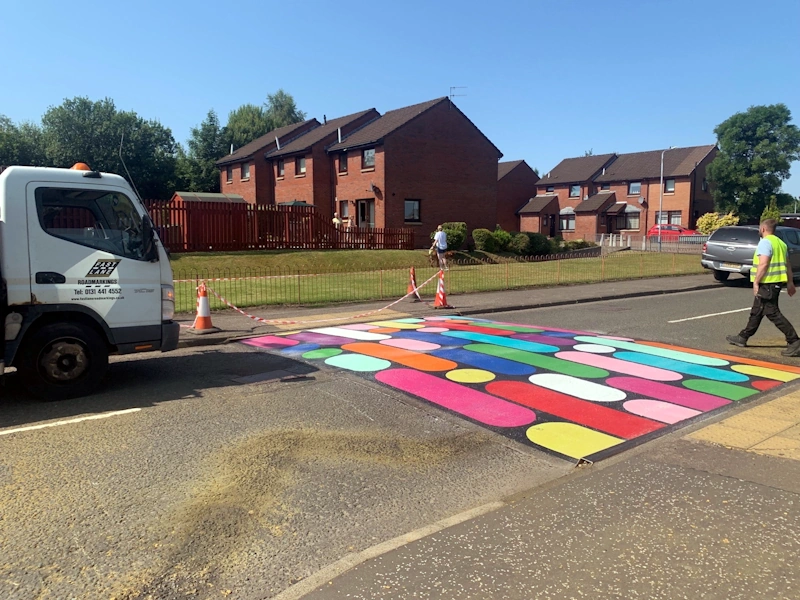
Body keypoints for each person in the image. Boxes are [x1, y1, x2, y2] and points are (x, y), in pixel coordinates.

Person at [726, 219, 800, 356]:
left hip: (767, 283)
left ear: (763, 229)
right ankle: (743, 337)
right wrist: (790, 282)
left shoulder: (765, 243)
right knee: (757, 310)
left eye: (760, 228)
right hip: (775, 283)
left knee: (772, 312)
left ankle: (795, 341)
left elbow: (764, 264)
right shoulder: (781, 243)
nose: (759, 230)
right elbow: (787, 264)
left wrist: (756, 282)